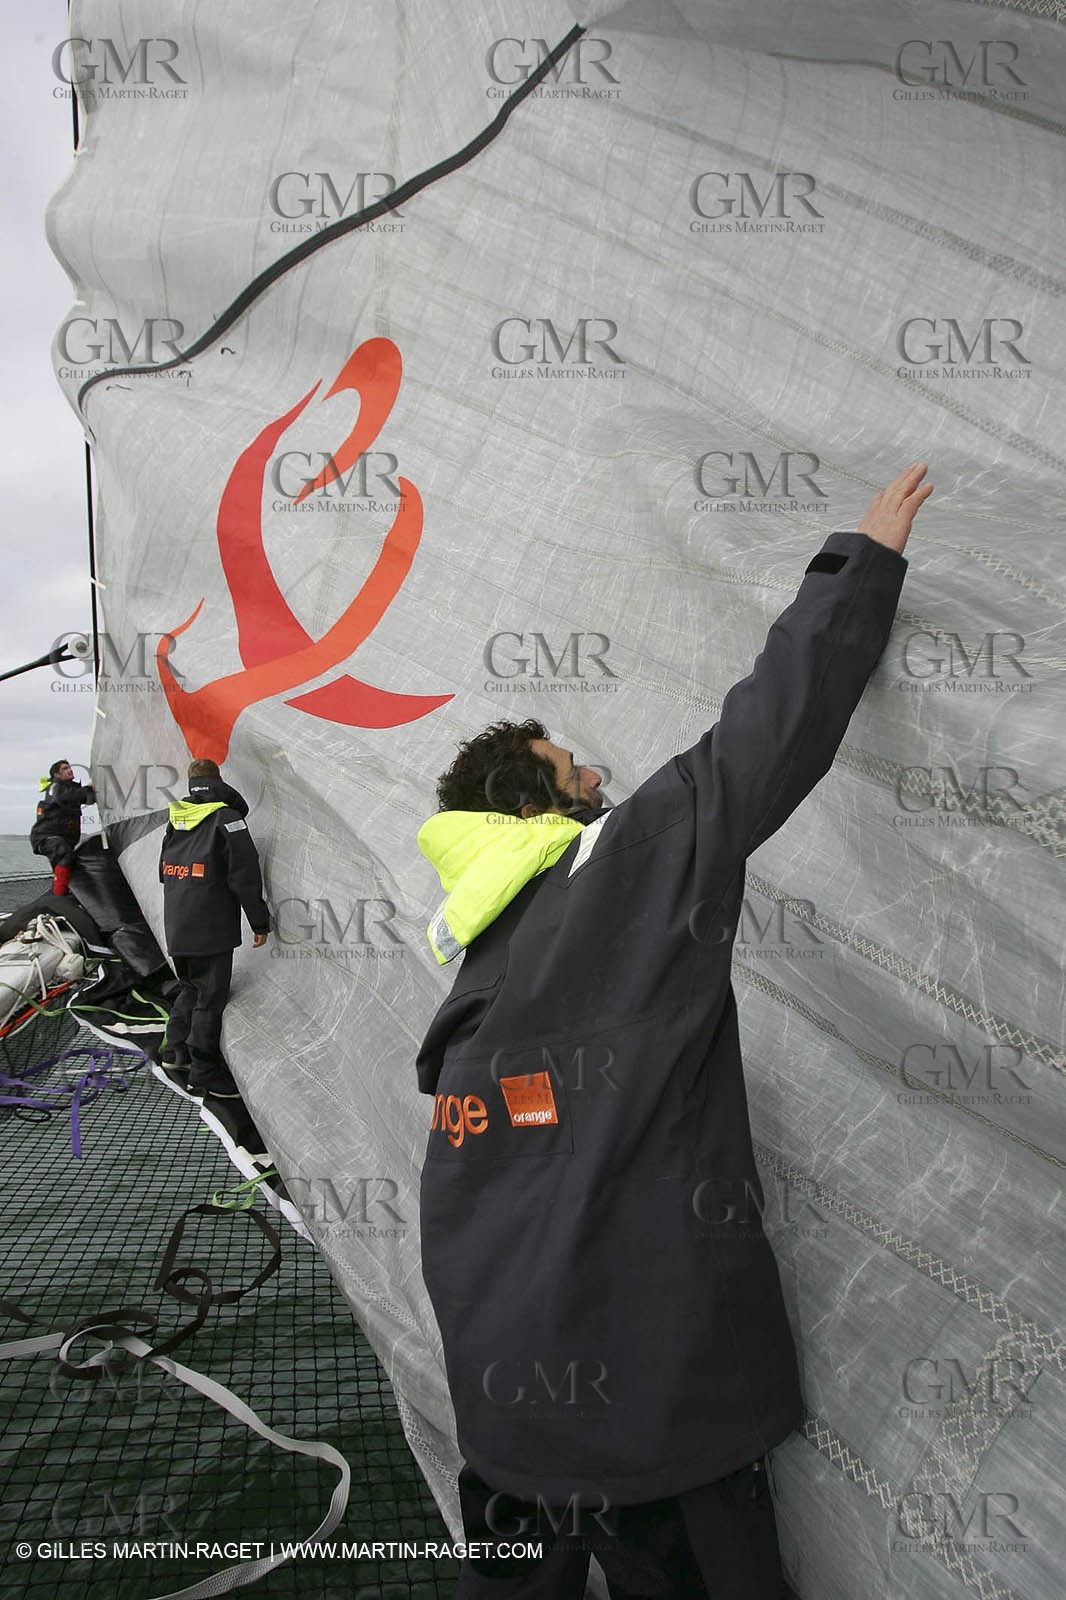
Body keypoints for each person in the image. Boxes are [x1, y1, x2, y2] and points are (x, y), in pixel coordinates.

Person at [414, 465, 934, 1598]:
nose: (601, 775)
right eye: (573, 770)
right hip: (651, 1422)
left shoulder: (475, 959)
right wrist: (860, 564)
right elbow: (759, 739)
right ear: (531, 808)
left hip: (502, 1416)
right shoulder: (614, 873)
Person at [158, 758, 270, 1098]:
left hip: (177, 922)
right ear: (219, 781)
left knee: (190, 987)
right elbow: (245, 874)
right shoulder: (228, 819)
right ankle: (204, 1073)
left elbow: (164, 870)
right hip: (211, 925)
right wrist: (259, 920)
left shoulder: (176, 817)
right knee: (210, 998)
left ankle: (174, 1052)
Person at [30, 759, 96, 895]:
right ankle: (59, 896)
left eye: (70, 767)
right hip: (47, 837)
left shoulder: (73, 790)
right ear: (56, 775)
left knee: (70, 865)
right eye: (65, 769)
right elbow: (66, 796)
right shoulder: (54, 787)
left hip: (64, 839)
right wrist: (89, 788)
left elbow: (88, 798)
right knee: (65, 855)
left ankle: (63, 896)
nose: (70, 770)